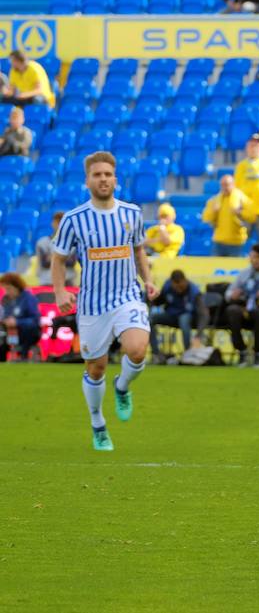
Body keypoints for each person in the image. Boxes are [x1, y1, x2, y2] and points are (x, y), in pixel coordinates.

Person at [51, 151, 157, 452]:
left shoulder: (131, 214)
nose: (103, 179)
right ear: (87, 181)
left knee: (137, 349)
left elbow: (139, 251)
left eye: (107, 174)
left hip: (127, 297)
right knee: (96, 368)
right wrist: (60, 292)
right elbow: (58, 260)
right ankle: (98, 423)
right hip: (92, 305)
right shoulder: (74, 219)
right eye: (97, 175)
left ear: (115, 179)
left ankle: (122, 387)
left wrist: (147, 280)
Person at [149, 270, 210, 362]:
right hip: (171, 315)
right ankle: (156, 354)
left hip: (188, 317)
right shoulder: (167, 286)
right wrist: (152, 296)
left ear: (185, 280)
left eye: (181, 287)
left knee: (184, 320)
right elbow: (158, 302)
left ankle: (188, 354)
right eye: (176, 287)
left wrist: (198, 335)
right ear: (172, 282)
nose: (179, 290)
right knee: (150, 319)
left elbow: (204, 314)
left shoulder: (194, 291)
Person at [203, 174, 256, 257]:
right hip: (219, 241)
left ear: (233, 184)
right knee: (216, 267)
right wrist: (214, 211)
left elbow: (252, 216)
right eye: (223, 185)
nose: (225, 187)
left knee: (235, 268)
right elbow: (206, 218)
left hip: (237, 242)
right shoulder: (215, 200)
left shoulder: (241, 198)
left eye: (227, 185)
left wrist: (240, 212)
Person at [0, 272, 41, 362]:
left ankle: (24, 355)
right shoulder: (5, 299)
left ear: (17, 287)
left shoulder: (29, 298)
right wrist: (5, 321)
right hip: (9, 331)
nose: (7, 292)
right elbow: (4, 315)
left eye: (8, 288)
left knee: (28, 329)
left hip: (28, 332)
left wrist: (17, 322)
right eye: (5, 289)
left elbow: (35, 320)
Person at [35, 211, 76, 286]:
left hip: (67, 280)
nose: (59, 225)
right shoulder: (42, 242)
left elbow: (71, 263)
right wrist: (63, 257)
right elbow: (45, 263)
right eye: (57, 222)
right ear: (53, 223)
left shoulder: (74, 242)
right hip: (47, 281)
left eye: (62, 222)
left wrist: (53, 257)